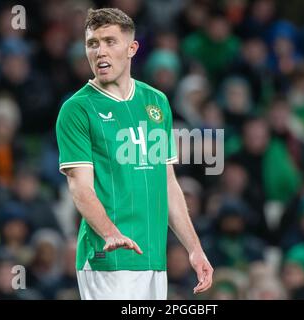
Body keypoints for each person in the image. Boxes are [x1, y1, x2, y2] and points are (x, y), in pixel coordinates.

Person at [55, 8, 213, 300]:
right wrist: (110, 233)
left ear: (132, 48)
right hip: (108, 259)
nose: (100, 51)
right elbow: (80, 187)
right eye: (92, 43)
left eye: (110, 41)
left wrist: (194, 249)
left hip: (154, 258)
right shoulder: (77, 109)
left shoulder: (157, 102)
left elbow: (167, 184)